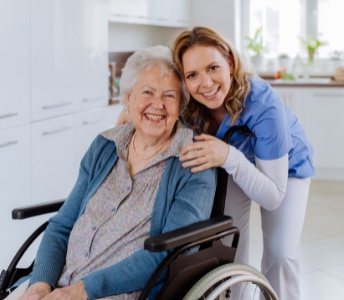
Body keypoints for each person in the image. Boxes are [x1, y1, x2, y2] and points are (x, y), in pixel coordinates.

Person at [9, 45, 217, 300]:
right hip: (57, 284)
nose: (158, 104)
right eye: (147, 92)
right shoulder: (105, 145)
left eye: (169, 96)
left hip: (119, 292)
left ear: (180, 106)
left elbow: (169, 254)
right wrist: (40, 284)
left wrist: (82, 291)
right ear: (128, 99)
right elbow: (62, 226)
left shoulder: (194, 161)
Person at [171, 26, 315, 300]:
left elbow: (272, 196)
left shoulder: (262, 102)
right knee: (228, 248)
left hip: (286, 169)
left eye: (213, 67)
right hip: (228, 163)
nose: (206, 83)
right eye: (192, 75)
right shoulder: (188, 104)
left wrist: (229, 156)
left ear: (230, 62)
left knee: (281, 255)